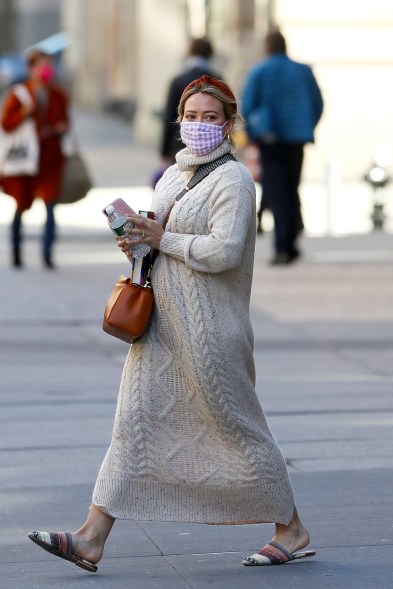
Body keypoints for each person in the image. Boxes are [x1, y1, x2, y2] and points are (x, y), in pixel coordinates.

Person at [28, 75, 315, 572]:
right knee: (132, 428)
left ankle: (291, 528)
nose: (199, 125)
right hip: (160, 326)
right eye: (191, 116)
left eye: (211, 118)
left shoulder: (234, 181)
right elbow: (157, 240)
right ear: (178, 120)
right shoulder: (171, 176)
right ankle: (90, 537)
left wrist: (164, 239)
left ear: (229, 125)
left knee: (238, 427)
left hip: (209, 331)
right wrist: (136, 239)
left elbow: (224, 253)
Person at [242, 28, 323, 264]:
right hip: (297, 138)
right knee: (292, 187)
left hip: (270, 139)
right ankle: (292, 239)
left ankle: (282, 248)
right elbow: (317, 103)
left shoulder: (259, 71)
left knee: (277, 191)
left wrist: (252, 136)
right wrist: (307, 126)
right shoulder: (303, 70)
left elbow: (247, 106)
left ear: (267, 47)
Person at [0, 49, 69, 269]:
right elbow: (6, 124)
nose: (46, 69)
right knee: (21, 205)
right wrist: (24, 113)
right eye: (41, 65)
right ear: (31, 69)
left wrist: (62, 128)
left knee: (50, 206)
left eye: (49, 64)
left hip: (50, 159)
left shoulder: (59, 94)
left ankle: (47, 254)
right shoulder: (19, 94)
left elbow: (65, 122)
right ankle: (17, 253)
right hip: (25, 162)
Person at [159, 37, 222, 167]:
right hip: (213, 146)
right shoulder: (218, 80)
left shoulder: (178, 81)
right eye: (191, 116)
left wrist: (164, 152)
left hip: (180, 144)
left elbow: (169, 117)